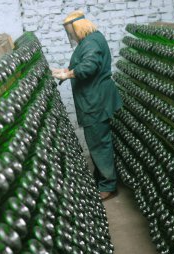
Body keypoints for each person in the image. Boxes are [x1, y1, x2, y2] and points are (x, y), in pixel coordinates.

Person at [52, 10, 122, 201]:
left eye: (70, 32)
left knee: (99, 143)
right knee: (97, 141)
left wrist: (67, 75)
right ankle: (101, 179)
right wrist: (65, 70)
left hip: (95, 101)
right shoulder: (92, 39)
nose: (70, 36)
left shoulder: (90, 42)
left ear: (77, 28)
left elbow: (88, 66)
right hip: (95, 99)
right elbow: (83, 63)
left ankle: (108, 185)